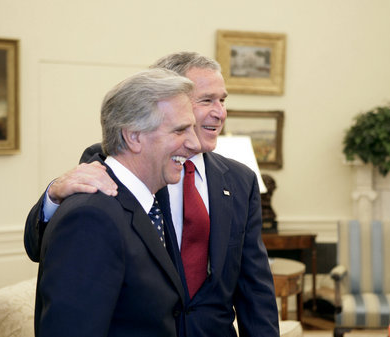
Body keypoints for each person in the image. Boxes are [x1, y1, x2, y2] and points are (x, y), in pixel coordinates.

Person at [25, 52, 280, 337]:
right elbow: (62, 246)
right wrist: (53, 198)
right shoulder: (109, 166)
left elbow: (254, 288)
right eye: (206, 100)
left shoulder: (240, 180)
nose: (220, 112)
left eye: (223, 100)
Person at [35, 68, 199, 337]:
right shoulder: (90, 219)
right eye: (181, 130)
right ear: (133, 136)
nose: (194, 144)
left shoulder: (149, 201)